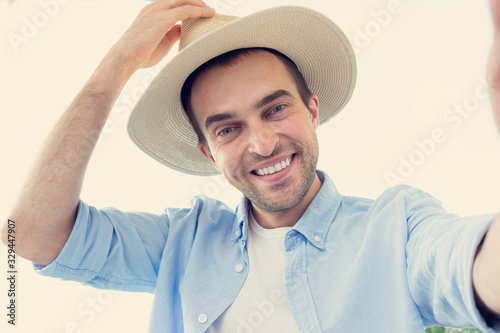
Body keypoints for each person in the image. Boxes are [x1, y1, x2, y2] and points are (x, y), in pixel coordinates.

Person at [2, 0, 500, 332]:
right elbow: (28, 235)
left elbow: (479, 269)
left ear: (312, 108)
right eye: (227, 129)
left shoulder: (398, 227)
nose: (262, 143)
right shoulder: (184, 243)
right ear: (207, 153)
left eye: (276, 109)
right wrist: (118, 63)